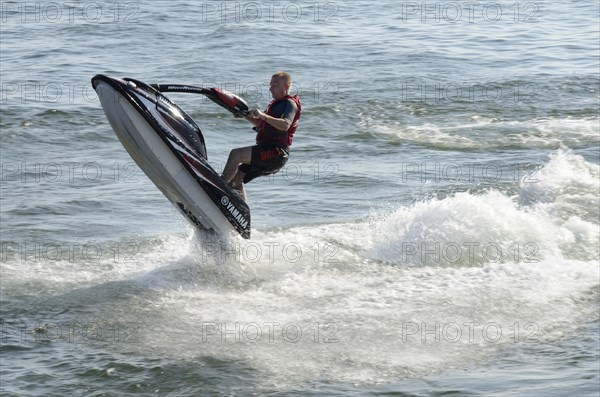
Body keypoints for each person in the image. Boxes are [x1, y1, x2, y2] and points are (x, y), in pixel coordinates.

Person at [222, 71, 301, 201]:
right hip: (268, 152)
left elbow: (286, 124)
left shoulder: (289, 104)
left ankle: (219, 187)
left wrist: (263, 115)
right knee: (237, 179)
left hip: (275, 152)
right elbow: (260, 123)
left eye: (275, 85)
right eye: (270, 85)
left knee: (236, 154)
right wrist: (244, 116)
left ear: (286, 87)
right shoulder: (275, 104)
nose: (270, 88)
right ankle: (239, 214)